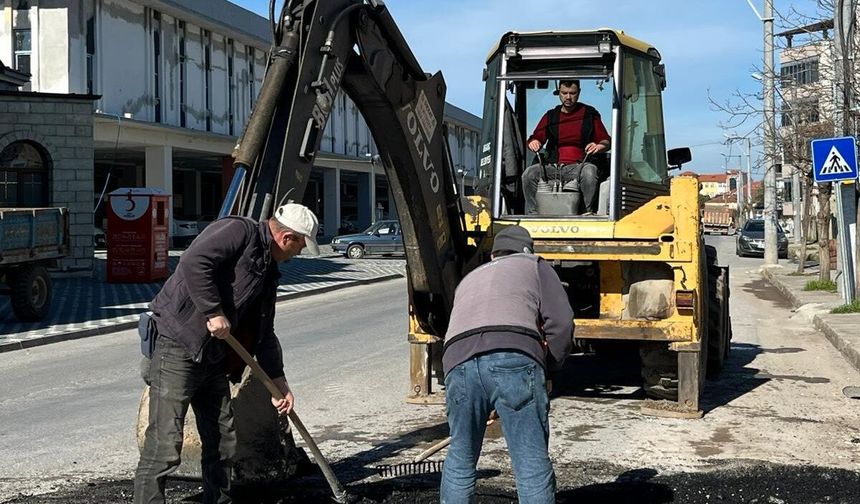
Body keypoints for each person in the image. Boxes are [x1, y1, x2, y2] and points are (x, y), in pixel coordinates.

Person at [133, 203, 320, 504]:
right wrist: (213, 311)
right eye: (300, 246)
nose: (297, 254)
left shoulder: (267, 271)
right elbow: (194, 261)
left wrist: (279, 382)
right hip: (178, 346)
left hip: (214, 358)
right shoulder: (238, 230)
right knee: (165, 443)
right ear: (287, 238)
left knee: (222, 440)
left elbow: (264, 331)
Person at [440, 225, 574, 504]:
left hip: (458, 363)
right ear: (527, 250)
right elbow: (561, 323)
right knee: (530, 463)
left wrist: (481, 393)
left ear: (493, 255)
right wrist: (549, 369)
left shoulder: (470, 278)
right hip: (514, 356)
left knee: (461, 460)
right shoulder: (534, 265)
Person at [522, 80, 611, 215]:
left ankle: (587, 212)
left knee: (590, 172)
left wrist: (599, 146)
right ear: (559, 93)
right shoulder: (550, 116)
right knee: (529, 174)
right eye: (564, 93)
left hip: (580, 166)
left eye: (572, 93)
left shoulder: (589, 114)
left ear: (579, 93)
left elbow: (605, 141)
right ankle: (533, 213)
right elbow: (536, 137)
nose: (568, 97)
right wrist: (534, 142)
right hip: (553, 166)